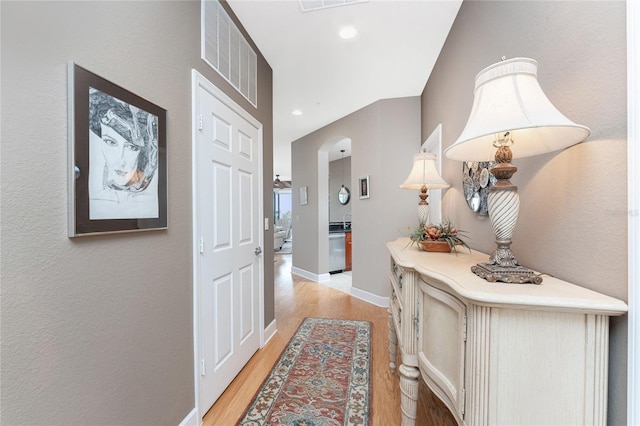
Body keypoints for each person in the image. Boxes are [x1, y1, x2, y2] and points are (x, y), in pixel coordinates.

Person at [88, 88, 159, 219]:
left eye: (131, 147)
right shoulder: (95, 198)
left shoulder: (148, 200)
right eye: (110, 142)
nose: (120, 160)